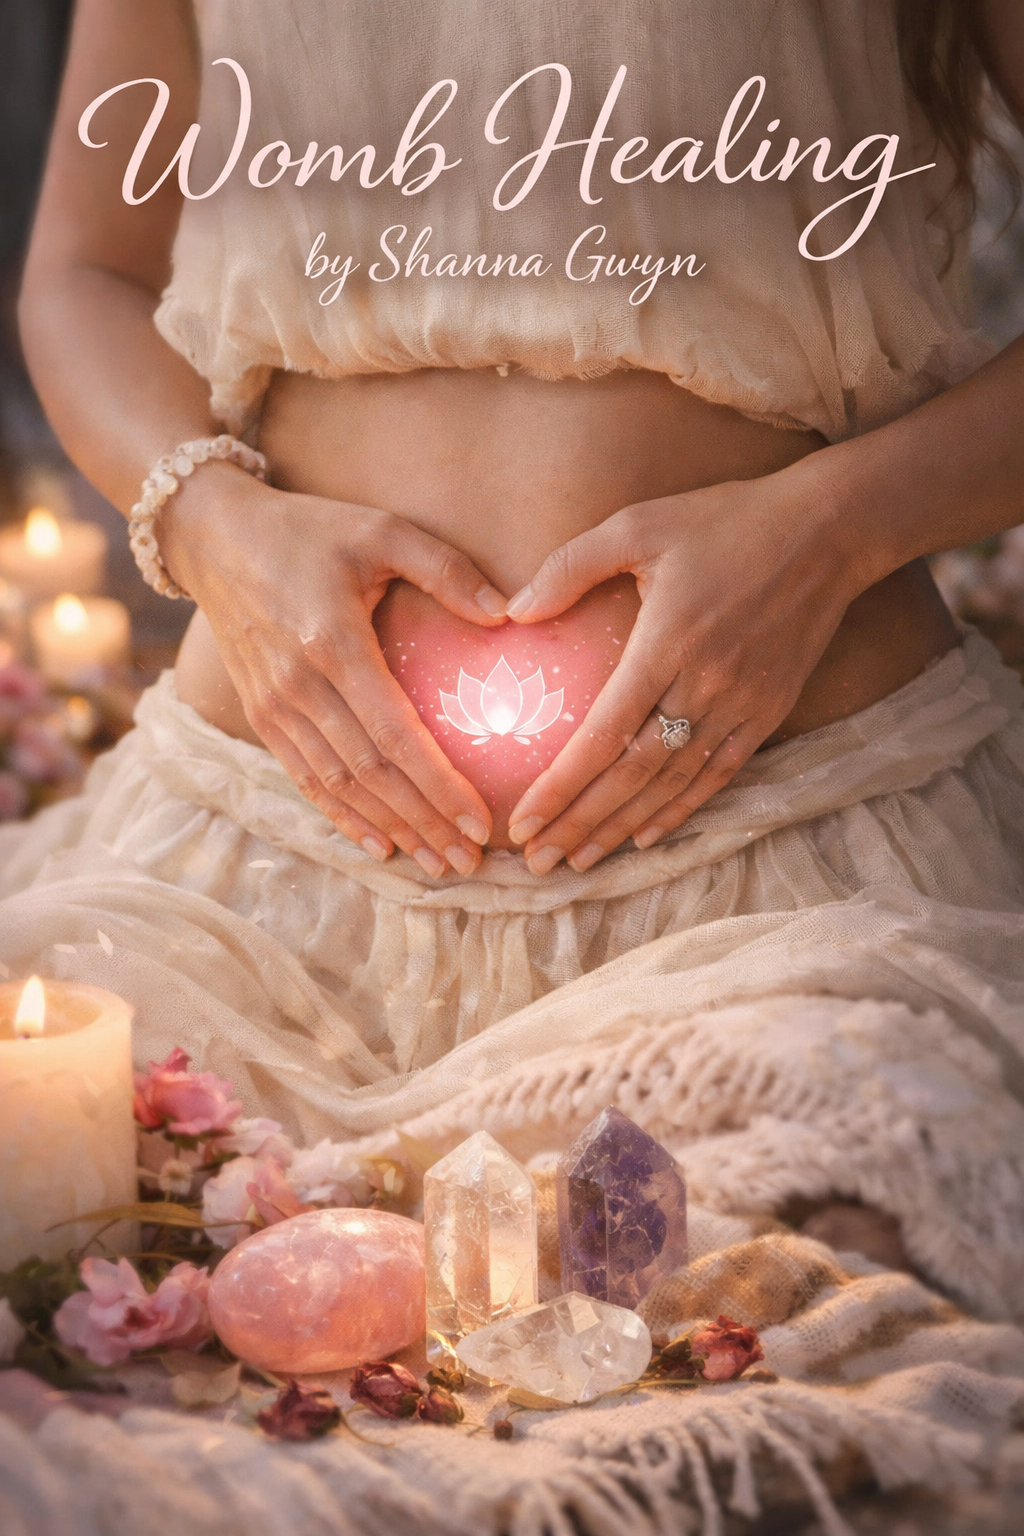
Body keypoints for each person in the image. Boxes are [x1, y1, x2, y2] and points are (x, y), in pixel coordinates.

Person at [3, 1, 1023, 1314]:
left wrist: (832, 531)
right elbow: (84, 269)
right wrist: (211, 527)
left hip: (796, 886)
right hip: (251, 910)